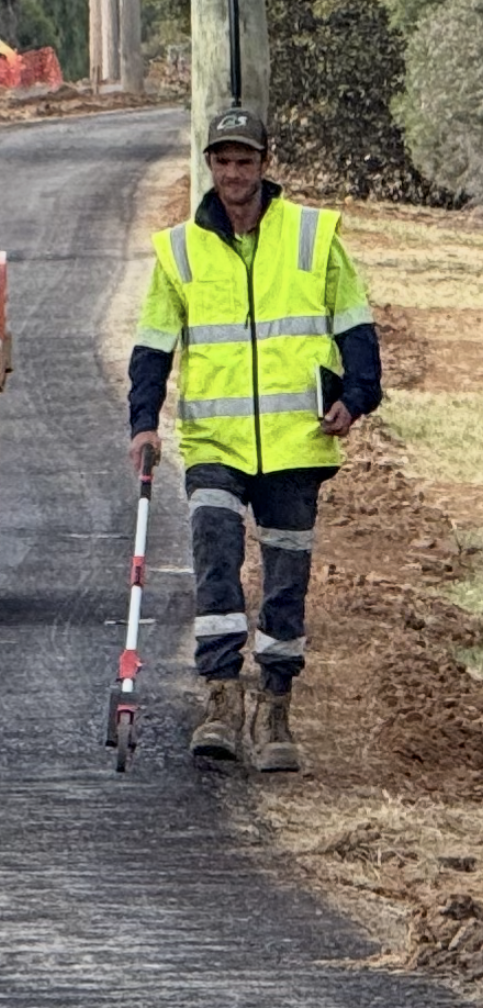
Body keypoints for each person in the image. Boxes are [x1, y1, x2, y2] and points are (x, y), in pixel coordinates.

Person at [127, 105, 382, 772]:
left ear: (265, 165)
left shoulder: (314, 237)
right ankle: (220, 697)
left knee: (285, 578)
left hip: (298, 441)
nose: (234, 173)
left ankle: (274, 704)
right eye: (222, 160)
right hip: (215, 442)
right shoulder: (179, 250)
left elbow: (356, 327)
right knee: (215, 560)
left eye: (245, 161)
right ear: (208, 166)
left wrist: (355, 399)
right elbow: (152, 348)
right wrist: (143, 423)